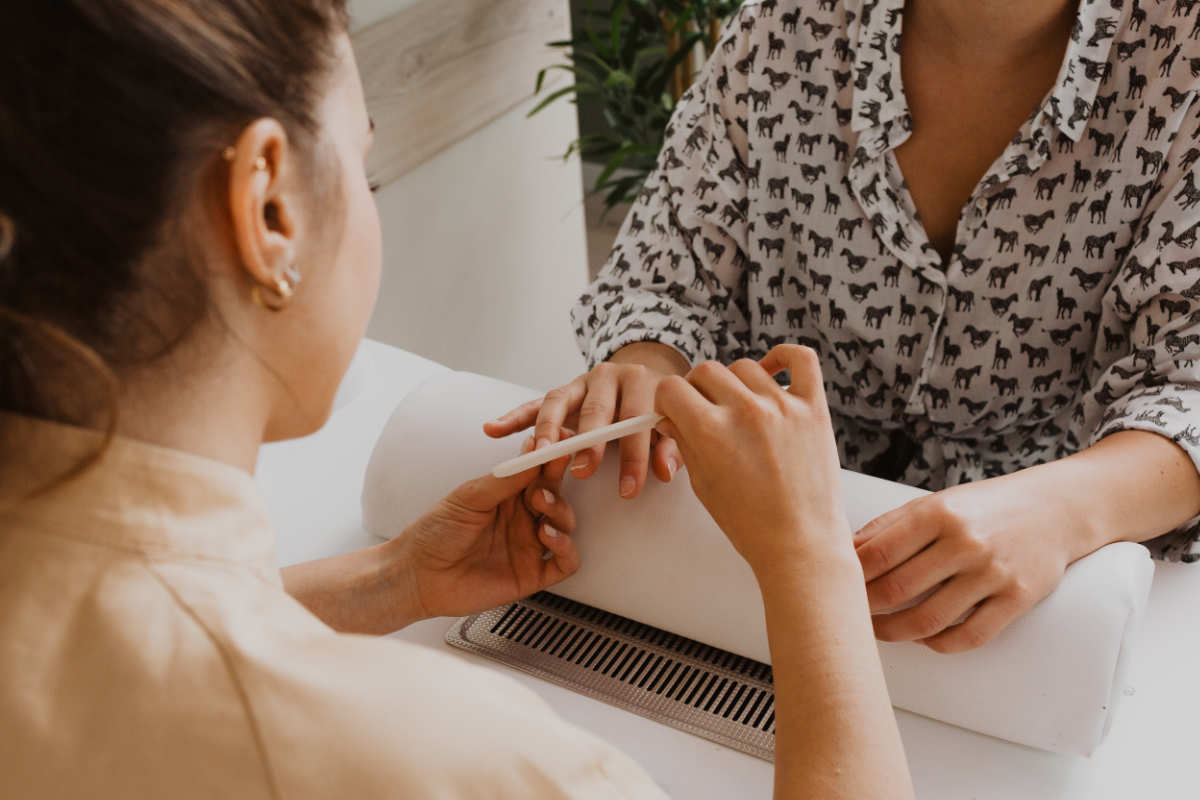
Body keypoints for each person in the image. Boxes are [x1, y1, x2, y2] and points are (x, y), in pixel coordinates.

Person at [0, 2, 913, 797]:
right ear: (267, 209)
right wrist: (809, 560)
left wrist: (389, 580)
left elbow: (113, 655)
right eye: (365, 169)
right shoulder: (471, 763)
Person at [490, 0, 1200, 654]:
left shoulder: (1182, 52)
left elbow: (1187, 384)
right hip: (738, 561)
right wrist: (644, 376)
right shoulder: (784, 22)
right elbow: (664, 278)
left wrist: (1067, 508)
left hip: (1049, 606)